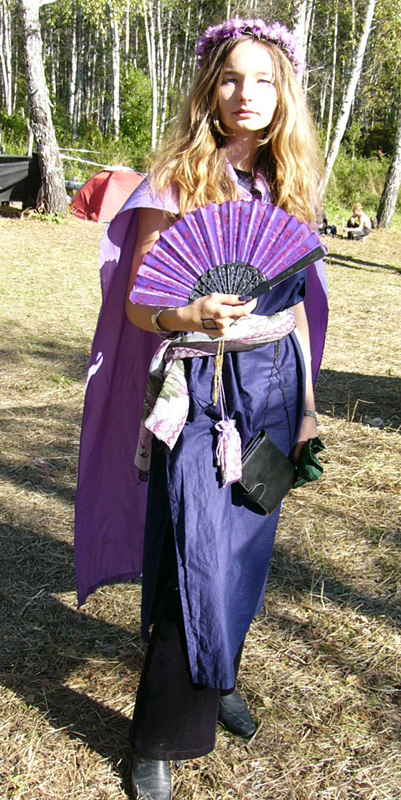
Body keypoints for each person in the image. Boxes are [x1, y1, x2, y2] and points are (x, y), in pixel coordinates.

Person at [74, 18, 328, 800]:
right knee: (197, 554)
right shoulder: (175, 180)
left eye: (262, 80)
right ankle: (158, 736)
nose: (245, 94)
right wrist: (186, 315)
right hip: (199, 394)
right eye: (230, 78)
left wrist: (307, 407)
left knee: (246, 551)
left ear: (283, 93)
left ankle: (218, 677)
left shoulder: (290, 183)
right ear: (209, 89)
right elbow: (139, 302)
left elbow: (294, 307)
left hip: (273, 389)